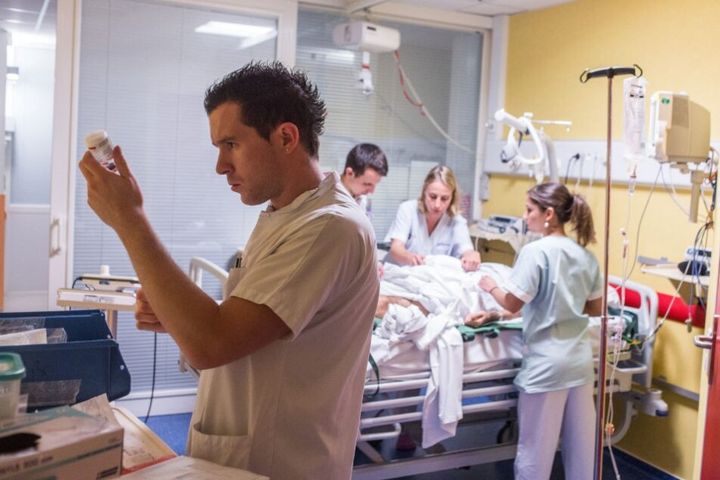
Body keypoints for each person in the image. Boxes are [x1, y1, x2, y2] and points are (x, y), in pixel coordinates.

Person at [78, 61, 379, 480]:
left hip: (282, 463)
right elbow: (239, 326)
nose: (220, 165)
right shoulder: (283, 216)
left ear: (286, 137)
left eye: (231, 144)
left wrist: (129, 219)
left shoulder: (330, 228)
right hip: (240, 457)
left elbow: (212, 342)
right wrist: (179, 317)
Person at [473, 182, 603, 480]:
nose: (524, 215)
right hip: (580, 366)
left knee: (534, 454)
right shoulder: (585, 256)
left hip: (547, 367)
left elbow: (513, 301)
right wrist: (563, 306)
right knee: (582, 454)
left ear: (548, 214)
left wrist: (491, 285)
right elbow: (595, 309)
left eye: (529, 209)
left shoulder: (535, 252)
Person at [385, 164, 481, 272]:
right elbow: (396, 248)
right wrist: (410, 258)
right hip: (401, 272)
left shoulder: (457, 221)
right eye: (433, 197)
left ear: (452, 197)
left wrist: (472, 255)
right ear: (424, 192)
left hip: (431, 280)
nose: (437, 205)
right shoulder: (407, 209)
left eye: (444, 199)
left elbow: (467, 250)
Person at [340, 143, 388, 216]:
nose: (372, 191)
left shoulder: (361, 198)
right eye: (367, 184)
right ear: (349, 173)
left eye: (375, 184)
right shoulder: (327, 198)